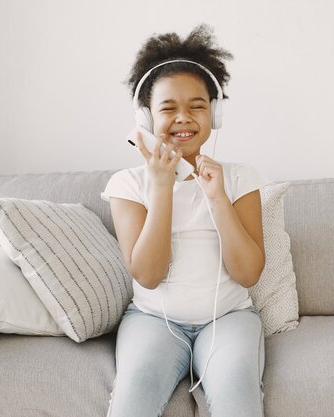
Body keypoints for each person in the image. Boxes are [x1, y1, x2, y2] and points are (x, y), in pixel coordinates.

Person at [101, 23, 268, 417]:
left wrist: (217, 197)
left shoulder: (241, 177)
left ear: (215, 113)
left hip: (228, 319)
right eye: (168, 108)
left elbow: (248, 274)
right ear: (145, 117)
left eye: (197, 105)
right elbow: (148, 275)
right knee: (131, 403)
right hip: (153, 321)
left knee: (238, 399)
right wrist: (161, 188)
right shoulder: (127, 184)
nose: (183, 118)